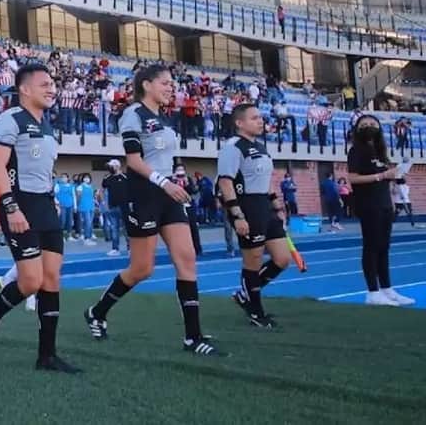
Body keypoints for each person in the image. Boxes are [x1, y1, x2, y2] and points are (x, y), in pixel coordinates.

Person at [84, 64, 222, 356]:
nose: (171, 87)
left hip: (168, 194)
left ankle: (192, 337)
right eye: (165, 83)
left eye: (171, 83)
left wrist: (177, 176)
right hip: (144, 194)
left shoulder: (164, 117)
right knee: (142, 269)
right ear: (146, 85)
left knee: (186, 259)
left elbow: (168, 157)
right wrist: (163, 182)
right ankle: (97, 311)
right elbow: (133, 160)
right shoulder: (133, 114)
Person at [0, 63, 81, 372]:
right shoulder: (10, 120)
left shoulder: (45, 124)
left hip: (45, 207)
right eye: (44, 84)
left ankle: (46, 355)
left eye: (52, 84)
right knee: (31, 280)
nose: (51, 88)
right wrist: (11, 207)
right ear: (24, 88)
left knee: (51, 280)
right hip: (19, 206)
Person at [217, 104, 290, 329]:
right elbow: (225, 181)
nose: (260, 121)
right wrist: (237, 215)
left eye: (261, 117)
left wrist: (278, 207)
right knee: (253, 261)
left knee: (282, 259)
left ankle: (244, 295)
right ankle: (256, 312)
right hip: (247, 205)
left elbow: (267, 181)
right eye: (254, 118)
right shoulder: (232, 147)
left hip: (264, 206)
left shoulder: (261, 147)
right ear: (239, 123)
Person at [348, 115, 415, 306]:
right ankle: (372, 291)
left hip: (384, 203)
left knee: (384, 247)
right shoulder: (356, 151)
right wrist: (382, 175)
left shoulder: (380, 151)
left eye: (372, 124)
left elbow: (386, 179)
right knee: (371, 247)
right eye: (364, 124)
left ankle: (387, 288)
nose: (369, 127)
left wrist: (393, 191)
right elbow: (353, 178)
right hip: (368, 204)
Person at [101, 160, 127, 256]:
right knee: (114, 228)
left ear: (117, 166)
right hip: (112, 206)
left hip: (125, 207)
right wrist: (104, 202)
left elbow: (132, 190)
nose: (110, 168)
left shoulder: (125, 176)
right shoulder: (107, 178)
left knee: (126, 228)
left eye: (112, 166)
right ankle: (115, 249)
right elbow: (102, 190)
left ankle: (130, 248)